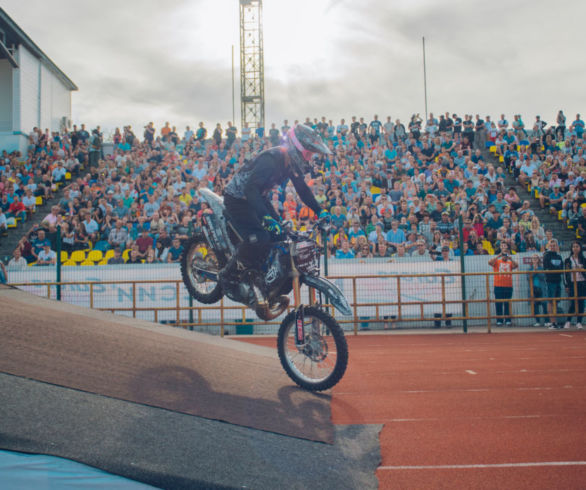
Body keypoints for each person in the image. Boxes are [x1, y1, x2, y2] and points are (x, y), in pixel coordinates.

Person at [221, 124, 329, 291]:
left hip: (257, 197)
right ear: (296, 147)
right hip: (238, 199)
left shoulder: (290, 163)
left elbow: (302, 189)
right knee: (259, 237)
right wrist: (266, 217)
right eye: (308, 153)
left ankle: (260, 276)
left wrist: (319, 210)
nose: (309, 158)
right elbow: (250, 188)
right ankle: (228, 275)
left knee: (282, 234)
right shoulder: (271, 160)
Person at [488, 243, 518, 325]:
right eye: (504, 254)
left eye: (506, 254)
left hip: (508, 286)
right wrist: (499, 255)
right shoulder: (497, 261)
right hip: (498, 285)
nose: (505, 255)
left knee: (507, 303)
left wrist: (511, 259)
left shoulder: (510, 262)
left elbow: (516, 265)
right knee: (498, 303)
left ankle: (508, 319)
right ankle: (499, 320)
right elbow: (490, 262)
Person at [563, 241, 585, 329]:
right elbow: (565, 274)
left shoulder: (584, 260)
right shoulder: (568, 260)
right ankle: (568, 321)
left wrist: (582, 269)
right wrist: (566, 285)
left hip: (582, 283)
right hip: (572, 283)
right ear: (571, 248)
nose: (575, 248)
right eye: (574, 247)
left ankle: (579, 322)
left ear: (580, 248)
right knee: (572, 302)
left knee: (581, 303)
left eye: (577, 246)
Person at [543, 239, 564, 328]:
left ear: (557, 246)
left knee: (556, 302)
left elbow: (561, 268)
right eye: (551, 246)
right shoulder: (547, 256)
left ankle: (555, 321)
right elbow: (547, 268)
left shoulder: (559, 257)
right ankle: (552, 322)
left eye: (554, 245)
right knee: (550, 302)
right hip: (550, 282)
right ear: (549, 246)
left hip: (558, 281)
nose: (553, 247)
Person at [527, 254, 547, 327]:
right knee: (535, 305)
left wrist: (536, 270)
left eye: (536, 258)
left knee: (544, 304)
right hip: (533, 289)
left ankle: (546, 321)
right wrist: (534, 271)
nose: (535, 260)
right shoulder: (529, 269)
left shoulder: (541, 268)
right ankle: (537, 321)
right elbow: (528, 278)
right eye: (533, 258)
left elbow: (542, 277)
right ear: (531, 260)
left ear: (538, 260)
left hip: (541, 288)